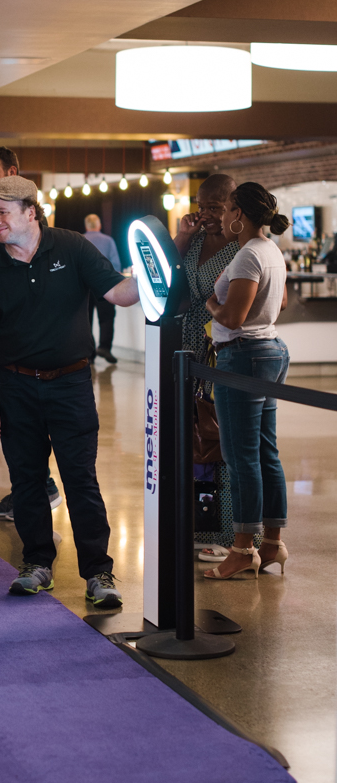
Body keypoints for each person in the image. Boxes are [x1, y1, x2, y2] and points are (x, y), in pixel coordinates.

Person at [0, 176, 140, 605]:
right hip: (14, 386)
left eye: (2, 213)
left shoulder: (72, 247)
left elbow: (118, 292)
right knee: (26, 482)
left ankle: (99, 574)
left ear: (30, 211)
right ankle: (37, 563)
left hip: (71, 384)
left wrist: (159, 274)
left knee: (81, 480)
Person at [203, 182, 290, 580]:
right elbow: (282, 302)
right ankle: (272, 543)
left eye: (226, 210)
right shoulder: (270, 251)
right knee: (265, 451)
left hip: (243, 356)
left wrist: (211, 304)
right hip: (269, 350)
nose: (222, 216)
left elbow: (232, 319)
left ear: (239, 214)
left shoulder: (248, 255)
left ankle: (242, 549)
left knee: (241, 457)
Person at [0, 146, 62, 519]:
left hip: (43, 362)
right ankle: (24, 493)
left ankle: (42, 488)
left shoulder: (52, 242)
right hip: (4, 355)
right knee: (13, 433)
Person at [173, 174, 241, 563]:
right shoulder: (195, 240)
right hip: (188, 343)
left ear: (234, 205)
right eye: (202, 206)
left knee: (223, 436)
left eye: (215, 207)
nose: (207, 214)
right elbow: (170, 276)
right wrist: (182, 236)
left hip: (221, 347)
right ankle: (200, 521)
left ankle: (232, 532)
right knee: (195, 433)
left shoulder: (243, 245)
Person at [83, 213, 122, 363]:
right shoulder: (108, 241)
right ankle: (104, 348)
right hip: (104, 286)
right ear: (99, 225)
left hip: (84, 288)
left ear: (86, 226)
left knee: (85, 320)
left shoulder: (79, 239)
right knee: (106, 318)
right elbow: (116, 265)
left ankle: (89, 353)